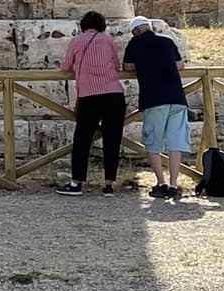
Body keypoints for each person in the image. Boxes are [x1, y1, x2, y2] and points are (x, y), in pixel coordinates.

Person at [121, 15, 193, 199]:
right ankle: (174, 184)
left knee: (153, 143)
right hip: (177, 97)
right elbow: (180, 65)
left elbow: (127, 67)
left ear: (136, 31)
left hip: (154, 98)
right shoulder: (167, 41)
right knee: (175, 143)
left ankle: (161, 183)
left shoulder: (135, 44)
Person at [57, 10, 126, 195]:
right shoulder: (108, 40)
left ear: (83, 25)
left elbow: (66, 67)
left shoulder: (77, 41)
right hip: (114, 95)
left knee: (82, 140)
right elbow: (116, 65)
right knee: (112, 140)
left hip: (90, 96)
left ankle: (76, 183)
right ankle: (109, 185)